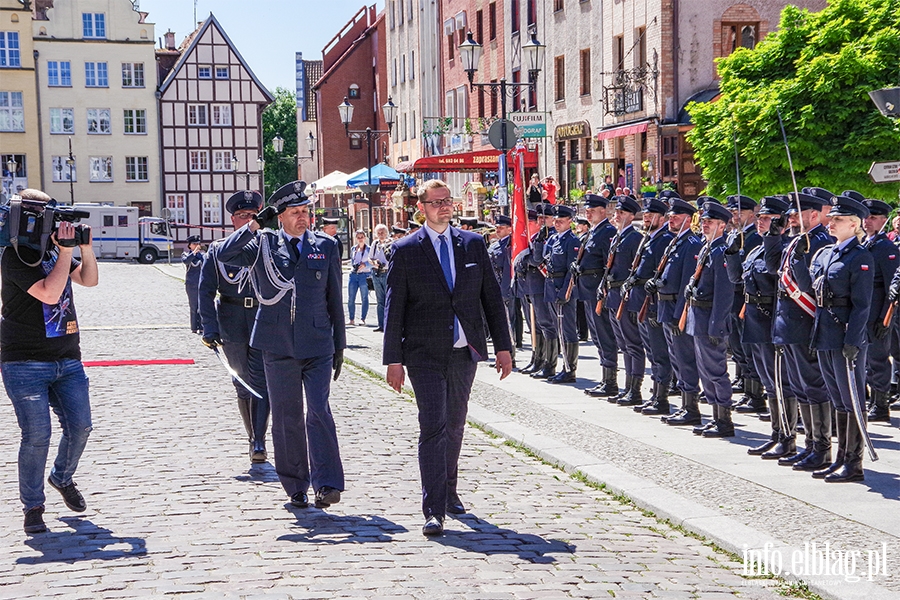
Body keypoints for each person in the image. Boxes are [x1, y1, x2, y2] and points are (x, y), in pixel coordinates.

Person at [383, 179, 512, 536]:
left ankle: (450, 491)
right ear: (420, 207)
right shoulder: (406, 249)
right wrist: (393, 360)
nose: (444, 207)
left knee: (455, 424)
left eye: (448, 201)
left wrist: (503, 348)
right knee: (433, 426)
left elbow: (491, 300)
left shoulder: (472, 244)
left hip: (463, 352)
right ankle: (433, 508)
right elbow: (394, 309)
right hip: (423, 354)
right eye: (436, 202)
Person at [215, 180, 346, 510]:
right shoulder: (262, 244)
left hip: (317, 344)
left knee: (318, 411)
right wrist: (256, 223)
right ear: (280, 217)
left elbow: (335, 299)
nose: (303, 218)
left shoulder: (326, 246)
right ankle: (296, 485)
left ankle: (327, 482)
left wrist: (340, 346)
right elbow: (224, 253)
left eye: (306, 211)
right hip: (276, 344)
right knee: (287, 417)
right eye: (295, 212)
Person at [1, 188, 98, 534]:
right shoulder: (15, 256)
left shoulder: (54, 252)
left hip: (67, 359)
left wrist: (83, 249)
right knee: (37, 435)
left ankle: (62, 476)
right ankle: (33, 506)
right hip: (24, 362)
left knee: (81, 427)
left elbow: (88, 279)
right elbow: (50, 292)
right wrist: (65, 252)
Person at [198, 190, 271, 464]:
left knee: (262, 380)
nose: (249, 220)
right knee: (242, 382)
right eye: (243, 216)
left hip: (263, 319)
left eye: (254, 216)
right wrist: (209, 328)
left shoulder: (268, 246)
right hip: (232, 320)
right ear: (233, 220)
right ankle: (251, 434)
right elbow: (204, 292)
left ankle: (259, 441)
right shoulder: (218, 250)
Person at [763, 189, 834, 468]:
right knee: (800, 387)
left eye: (797, 214)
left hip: (804, 321)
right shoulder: (794, 241)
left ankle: (822, 448)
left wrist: (803, 258)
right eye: (791, 214)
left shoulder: (818, 242)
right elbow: (772, 268)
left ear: (814, 215)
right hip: (787, 323)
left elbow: (809, 286)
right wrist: (772, 235)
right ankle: (809, 445)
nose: (791, 217)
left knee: (813, 386)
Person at [806, 194, 873, 482]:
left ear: (854, 224)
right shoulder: (825, 253)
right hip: (825, 332)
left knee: (852, 399)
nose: (831, 223)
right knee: (838, 400)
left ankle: (854, 463)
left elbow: (862, 306)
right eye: (831, 218)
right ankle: (840, 457)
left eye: (838, 220)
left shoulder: (861, 256)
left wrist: (853, 341)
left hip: (846, 335)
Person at [726, 196, 793, 455]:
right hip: (754, 318)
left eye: (766, 218)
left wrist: (774, 239)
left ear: (780, 222)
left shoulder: (783, 248)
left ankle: (787, 437)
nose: (759, 221)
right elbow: (737, 278)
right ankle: (776, 434)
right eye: (760, 217)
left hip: (771, 318)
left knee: (780, 380)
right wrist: (731, 252)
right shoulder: (756, 249)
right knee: (767, 380)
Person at [651, 198, 704, 426]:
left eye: (676, 216)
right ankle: (684, 404)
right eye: (670, 216)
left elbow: (686, 283)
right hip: (666, 306)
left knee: (685, 359)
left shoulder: (690, 243)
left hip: (676, 309)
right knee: (676, 359)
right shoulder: (676, 242)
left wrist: (679, 314)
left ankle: (691, 408)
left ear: (688, 219)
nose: (671, 219)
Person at [685, 199, 735, 438]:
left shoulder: (721, 251)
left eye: (710, 222)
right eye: (704, 221)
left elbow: (724, 294)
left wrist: (717, 325)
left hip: (710, 320)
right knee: (705, 370)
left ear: (722, 226)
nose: (705, 225)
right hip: (698, 316)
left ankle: (724, 420)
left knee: (716, 370)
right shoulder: (707, 248)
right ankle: (715, 416)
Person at [627, 197, 674, 413]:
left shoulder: (663, 239)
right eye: (645, 215)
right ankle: (655, 394)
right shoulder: (650, 238)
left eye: (651, 215)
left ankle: (661, 398)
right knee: (651, 351)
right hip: (642, 302)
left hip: (653, 303)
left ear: (662, 218)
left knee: (659, 352)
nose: (646, 217)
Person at [725, 195, 765, 414]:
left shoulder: (753, 238)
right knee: (738, 347)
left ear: (752, 213)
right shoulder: (735, 236)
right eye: (732, 212)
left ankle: (755, 394)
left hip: (745, 298)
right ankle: (749, 389)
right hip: (733, 298)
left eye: (738, 212)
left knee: (749, 349)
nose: (735, 216)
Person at [603, 195, 644, 403]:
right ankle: (627, 387)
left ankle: (635, 389)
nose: (617, 215)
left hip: (625, 296)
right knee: (623, 344)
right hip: (613, 295)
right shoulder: (619, 236)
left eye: (621, 213)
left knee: (632, 343)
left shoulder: (634, 238)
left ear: (631, 216)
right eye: (616, 212)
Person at [859, 197, 897, 423]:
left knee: (878, 359)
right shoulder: (866, 245)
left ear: (884, 220)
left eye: (873, 217)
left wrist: (884, 318)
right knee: (865, 360)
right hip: (864, 312)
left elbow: (892, 287)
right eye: (866, 217)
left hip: (878, 314)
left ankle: (881, 405)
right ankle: (872, 400)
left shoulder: (886, 248)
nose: (867, 221)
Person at [578, 194, 619, 398]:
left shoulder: (607, 232)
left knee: (605, 336)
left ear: (603, 211)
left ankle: (610, 381)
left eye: (591, 210)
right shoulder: (592, 232)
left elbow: (608, 265)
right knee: (597, 336)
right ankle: (605, 378)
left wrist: (604, 291)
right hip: (587, 290)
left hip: (599, 292)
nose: (588, 213)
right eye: (587, 210)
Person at [542, 205, 580, 384]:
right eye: (555, 221)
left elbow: (571, 270)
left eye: (561, 221)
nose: (557, 224)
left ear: (570, 222)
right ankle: (562, 366)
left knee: (567, 330)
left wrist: (565, 291)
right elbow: (541, 258)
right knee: (557, 328)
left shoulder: (571, 241)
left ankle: (569, 368)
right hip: (550, 286)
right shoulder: (553, 238)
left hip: (562, 288)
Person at [487, 214, 516, 367]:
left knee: (507, 323)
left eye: (502, 228)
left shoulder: (509, 246)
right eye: (497, 227)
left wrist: (505, 291)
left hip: (503, 289)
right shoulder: (495, 245)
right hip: (493, 288)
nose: (498, 230)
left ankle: (510, 354)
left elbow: (507, 271)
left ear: (510, 229)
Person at [370, 223, 392, 332]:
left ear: (386, 233)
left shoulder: (391, 243)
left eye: (382, 232)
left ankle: (388, 324)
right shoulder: (375, 244)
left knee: (389, 299)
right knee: (380, 300)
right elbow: (370, 258)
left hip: (387, 272)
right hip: (376, 273)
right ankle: (381, 324)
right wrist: (374, 262)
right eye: (378, 233)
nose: (381, 235)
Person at [347, 230, 371, 326]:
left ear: (365, 238)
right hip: (353, 275)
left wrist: (365, 264)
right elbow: (352, 261)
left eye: (362, 237)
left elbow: (373, 261)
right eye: (358, 237)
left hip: (364, 275)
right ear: (355, 238)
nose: (360, 239)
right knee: (351, 298)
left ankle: (363, 318)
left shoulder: (369, 249)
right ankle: (351, 319)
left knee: (364, 297)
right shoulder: (353, 249)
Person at [182, 235, 204, 333]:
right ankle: (194, 327)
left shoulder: (202, 256)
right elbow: (186, 261)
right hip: (191, 284)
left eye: (198, 244)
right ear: (189, 245)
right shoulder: (186, 254)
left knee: (202, 305)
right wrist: (194, 253)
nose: (197, 245)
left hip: (202, 283)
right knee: (194, 306)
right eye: (194, 244)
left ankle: (202, 326)